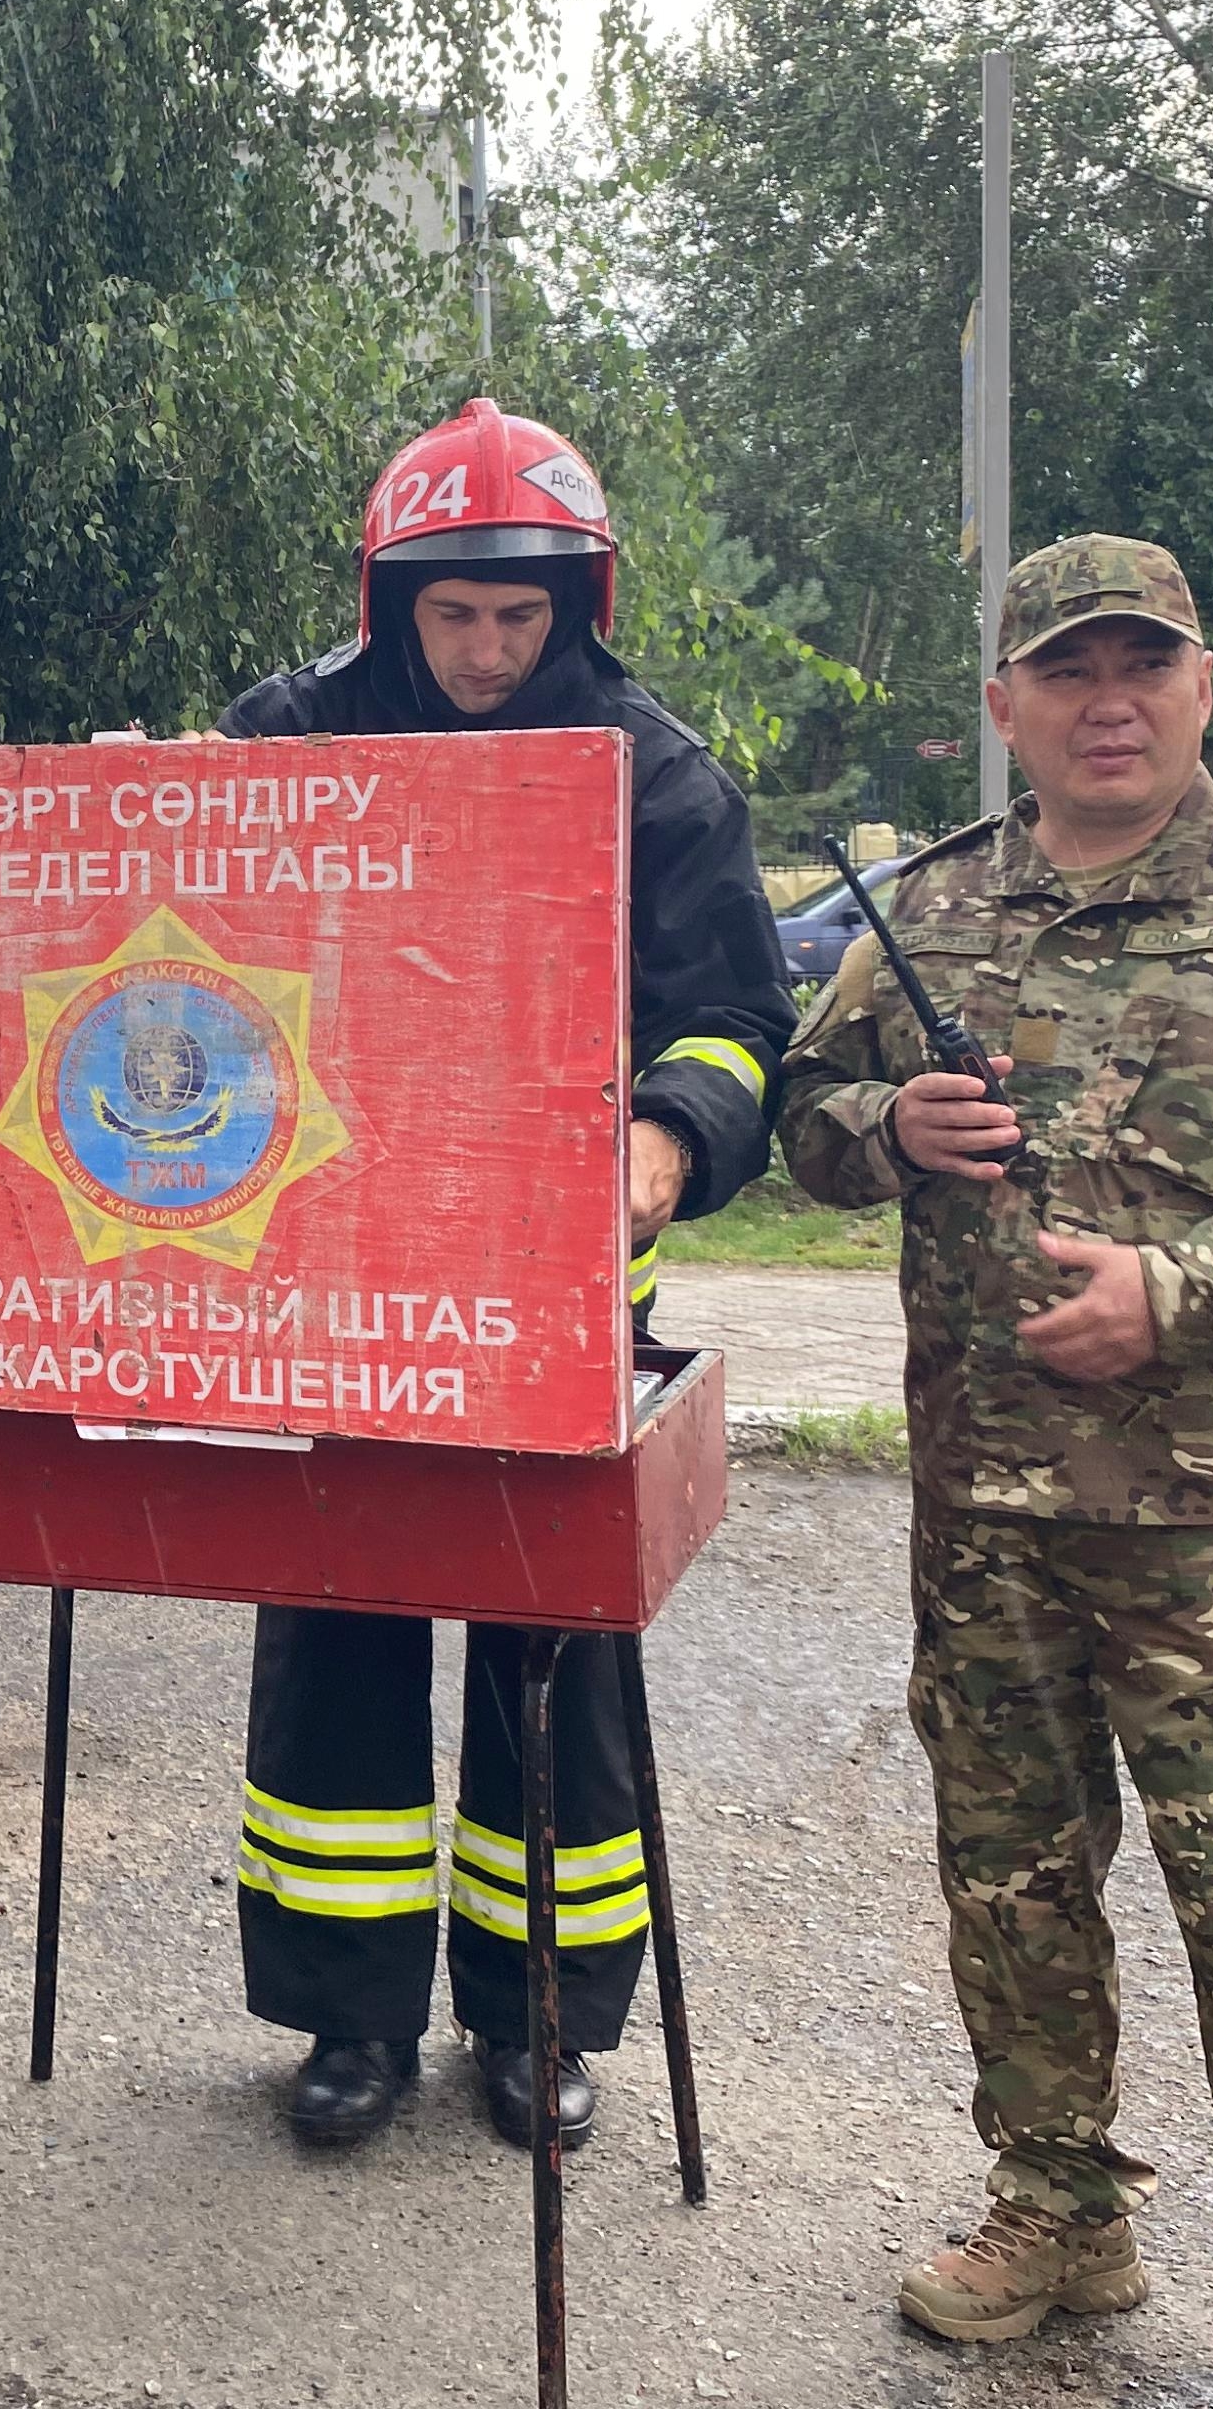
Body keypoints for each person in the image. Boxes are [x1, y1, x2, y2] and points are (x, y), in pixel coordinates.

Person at [779, 535, 1213, 2409]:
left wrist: (1189, 1287)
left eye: (1140, 666)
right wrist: (883, 1126)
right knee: (1010, 1885)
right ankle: (1058, 2208)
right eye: (1065, 669)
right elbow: (802, 1129)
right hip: (989, 1514)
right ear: (1003, 705)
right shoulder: (933, 905)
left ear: (1201, 690)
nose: (1107, 700)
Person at [214, 399, 790, 2157]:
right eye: (450, 615)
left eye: (516, 619)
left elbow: (739, 1019)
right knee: (340, 1625)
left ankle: (541, 2023)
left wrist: (670, 1141)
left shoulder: (656, 770)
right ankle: (349, 2021)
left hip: (554, 1268)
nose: (481, 652)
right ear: (395, 601)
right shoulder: (287, 735)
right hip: (323, 1262)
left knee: (556, 1639)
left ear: (578, 603)